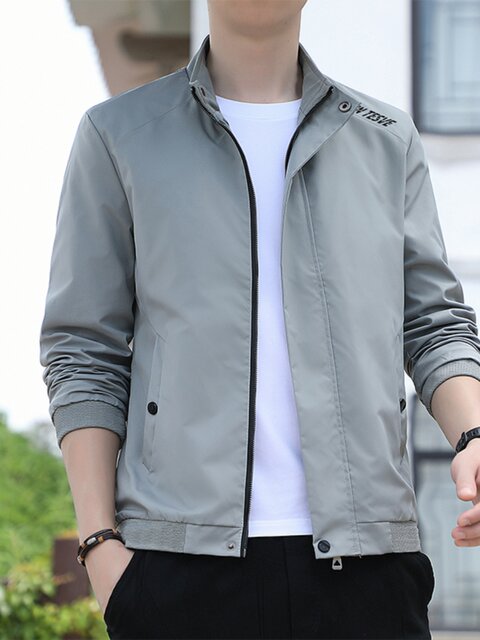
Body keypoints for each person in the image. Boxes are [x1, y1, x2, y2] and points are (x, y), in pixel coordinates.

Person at [39, 1, 480, 638]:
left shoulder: (386, 139)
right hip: (177, 567)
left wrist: (472, 436)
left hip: (367, 569)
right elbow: (84, 348)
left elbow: (434, 322)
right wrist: (101, 546)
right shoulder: (119, 136)